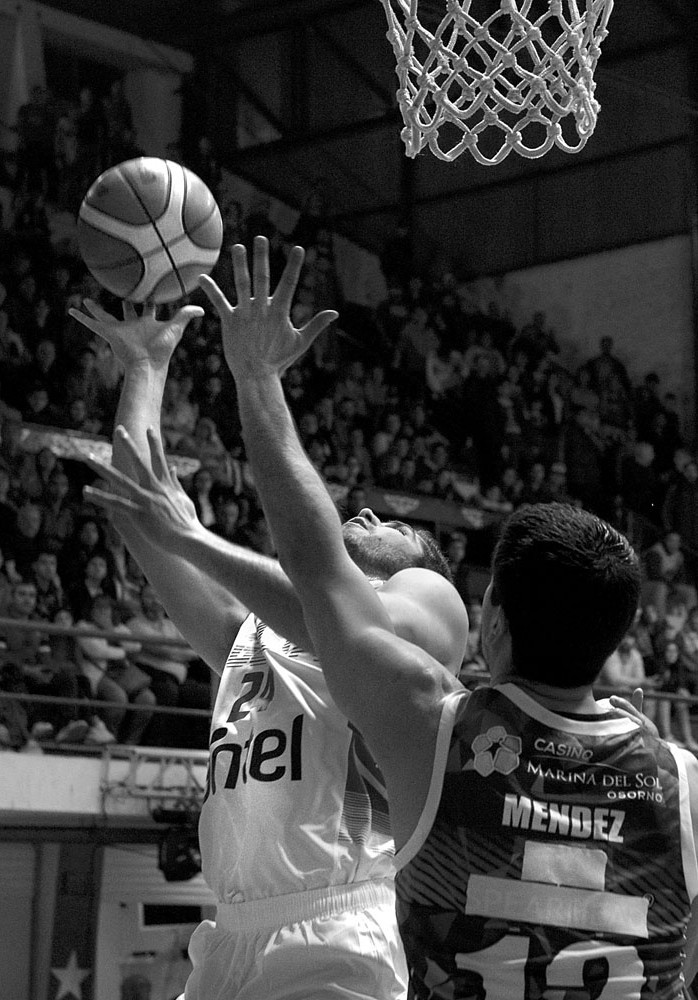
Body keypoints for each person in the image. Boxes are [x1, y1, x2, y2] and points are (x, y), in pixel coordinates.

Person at [193, 236, 698, 998]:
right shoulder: (679, 781)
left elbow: (316, 563)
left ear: (490, 623)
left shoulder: (437, 736)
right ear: (616, 639)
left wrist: (257, 377)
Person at [69, 287, 469, 999]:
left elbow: (336, 613)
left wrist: (194, 532)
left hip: (336, 924)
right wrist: (145, 367)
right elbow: (142, 513)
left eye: (400, 530)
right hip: (228, 933)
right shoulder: (249, 631)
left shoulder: (429, 605)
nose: (369, 510)